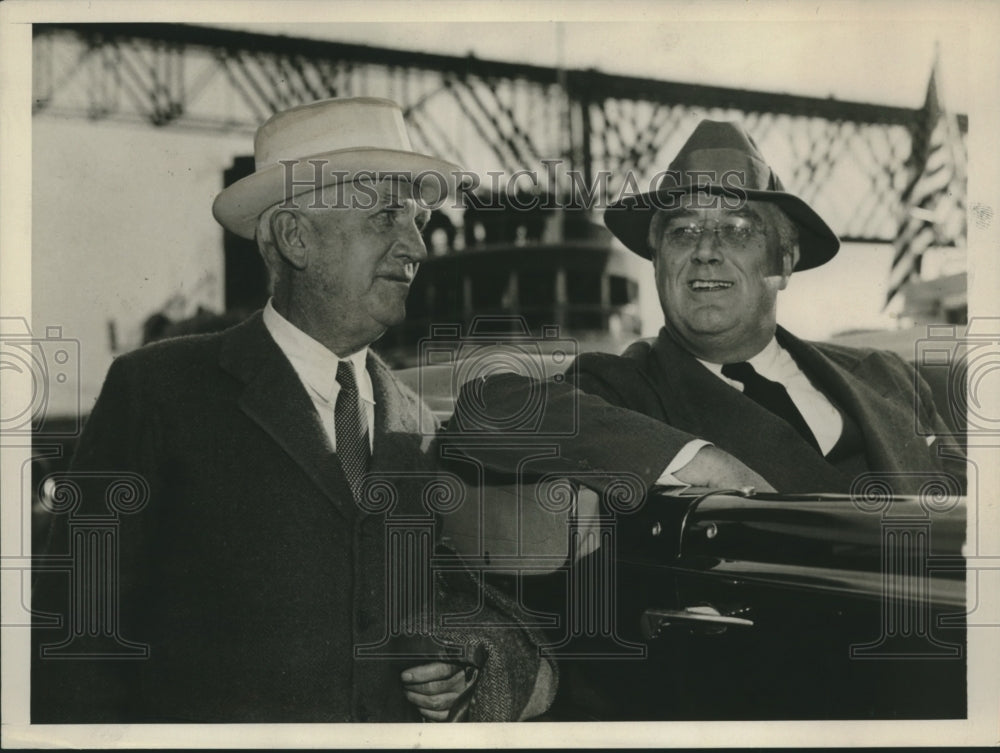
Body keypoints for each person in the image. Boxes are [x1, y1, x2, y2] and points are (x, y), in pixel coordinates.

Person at [31, 97, 554, 723]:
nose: (416, 244)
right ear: (295, 237)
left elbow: (426, 608)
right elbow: (76, 642)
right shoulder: (159, 391)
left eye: (416, 219)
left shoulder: (414, 421)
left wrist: (456, 665)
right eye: (387, 215)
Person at [446, 119, 966, 719]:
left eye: (737, 229)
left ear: (785, 259)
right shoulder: (626, 388)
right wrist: (691, 459)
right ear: (658, 258)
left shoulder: (885, 375)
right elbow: (488, 408)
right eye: (682, 231)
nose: (706, 250)